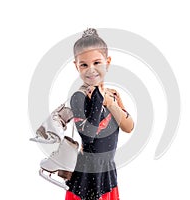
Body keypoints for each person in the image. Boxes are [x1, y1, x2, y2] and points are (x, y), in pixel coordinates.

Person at [65, 28, 134, 200]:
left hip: (107, 171)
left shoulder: (113, 94)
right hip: (87, 172)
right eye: (84, 65)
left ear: (107, 62)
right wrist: (96, 100)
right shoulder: (78, 98)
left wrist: (109, 102)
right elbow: (88, 137)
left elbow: (128, 126)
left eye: (97, 63)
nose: (91, 70)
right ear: (76, 66)